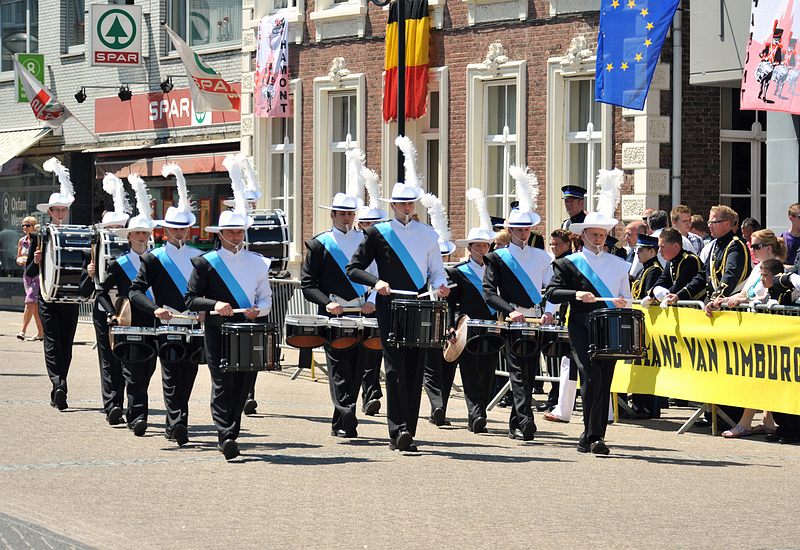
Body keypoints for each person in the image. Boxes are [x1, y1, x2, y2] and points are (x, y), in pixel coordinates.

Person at [346, 138, 449, 453]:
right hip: (390, 305)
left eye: (410, 204)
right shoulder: (378, 233)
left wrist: (441, 286)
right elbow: (354, 268)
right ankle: (397, 430)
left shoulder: (429, 234)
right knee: (394, 367)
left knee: (416, 368)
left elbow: (436, 270)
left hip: (419, 305)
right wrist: (376, 283)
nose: (407, 208)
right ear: (392, 206)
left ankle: (409, 429)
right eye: (402, 204)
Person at [185, 161, 272, 460]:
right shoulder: (205, 262)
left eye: (239, 231)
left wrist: (257, 312)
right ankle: (226, 435)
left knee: (244, 382)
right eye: (230, 232)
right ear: (220, 234)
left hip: (247, 329)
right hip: (217, 330)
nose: (236, 236)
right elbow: (191, 299)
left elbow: (266, 300)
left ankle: (232, 428)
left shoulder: (260, 262)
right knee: (222, 382)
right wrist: (215, 305)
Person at [544, 169, 632, 455]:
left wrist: (622, 303)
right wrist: (576, 294)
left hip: (609, 325)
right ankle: (591, 433)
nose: (599, 239)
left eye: (602, 234)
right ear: (583, 236)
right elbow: (552, 293)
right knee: (590, 375)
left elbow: (627, 298)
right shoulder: (568, 263)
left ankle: (594, 436)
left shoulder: (619, 264)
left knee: (605, 378)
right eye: (593, 234)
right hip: (581, 325)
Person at [129, 164, 203, 447]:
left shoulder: (200, 257)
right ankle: (178, 423)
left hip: (194, 326)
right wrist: (155, 309)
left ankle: (176, 423)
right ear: (166, 229)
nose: (181, 233)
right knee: (172, 375)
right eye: (176, 228)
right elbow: (135, 291)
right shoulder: (154, 258)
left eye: (185, 228)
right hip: (167, 325)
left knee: (189, 376)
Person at [483, 170, 555, 442]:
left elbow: (552, 290)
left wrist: (550, 311)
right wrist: (510, 311)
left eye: (527, 229)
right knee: (516, 371)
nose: (524, 233)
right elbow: (489, 292)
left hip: (536, 320)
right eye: (519, 229)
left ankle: (516, 422)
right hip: (513, 320)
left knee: (530, 371)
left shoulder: (541, 256)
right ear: (509, 230)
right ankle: (527, 421)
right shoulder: (497, 258)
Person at [302, 191, 378, 438]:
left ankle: (341, 420)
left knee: (358, 368)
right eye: (341, 213)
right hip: (335, 315)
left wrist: (373, 300)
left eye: (350, 213)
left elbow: (379, 275)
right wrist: (326, 304)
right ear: (332, 214)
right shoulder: (319, 244)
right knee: (338, 368)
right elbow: (308, 284)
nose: (346, 218)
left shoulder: (367, 240)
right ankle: (347, 415)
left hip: (363, 313)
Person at [95, 175, 157, 436]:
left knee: (148, 368)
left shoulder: (157, 261)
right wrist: (112, 314)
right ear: (129, 236)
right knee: (130, 368)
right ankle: (136, 415)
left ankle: (135, 411)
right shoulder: (118, 264)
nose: (141, 237)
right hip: (128, 320)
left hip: (153, 319)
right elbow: (100, 292)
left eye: (145, 233)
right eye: (137, 233)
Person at [26, 158, 80, 411]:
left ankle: (61, 383)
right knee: (51, 342)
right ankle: (58, 384)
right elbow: (27, 271)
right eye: (56, 210)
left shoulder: (75, 235)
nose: (60, 214)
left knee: (66, 344)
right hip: (47, 296)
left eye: (63, 210)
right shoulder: (39, 235)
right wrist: (36, 260)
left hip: (70, 297)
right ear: (49, 212)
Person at [83, 175, 131, 426]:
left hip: (129, 311)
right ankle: (112, 404)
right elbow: (84, 289)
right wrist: (90, 274)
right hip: (104, 309)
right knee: (107, 357)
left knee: (126, 357)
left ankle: (123, 402)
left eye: (118, 227)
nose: (114, 233)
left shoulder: (133, 252)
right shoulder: (94, 248)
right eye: (110, 228)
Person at [447, 214, 497, 434]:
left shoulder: (496, 269)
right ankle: (475, 414)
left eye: (486, 244)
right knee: (469, 371)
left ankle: (481, 410)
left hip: (492, 326)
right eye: (478, 245)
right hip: (468, 326)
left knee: (488, 371)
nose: (483, 248)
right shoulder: (457, 271)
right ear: (470, 247)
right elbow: (451, 303)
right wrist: (451, 325)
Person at [684, 205, 752, 310]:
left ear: (726, 223)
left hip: (731, 305)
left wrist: (717, 297)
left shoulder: (736, 245)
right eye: (709, 222)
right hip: (717, 304)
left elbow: (731, 274)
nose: (710, 226)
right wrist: (681, 294)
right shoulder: (715, 245)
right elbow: (703, 275)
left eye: (714, 222)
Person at [355, 201, 386, 416]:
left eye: (373, 223)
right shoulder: (353, 244)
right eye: (365, 223)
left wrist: (372, 300)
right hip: (352, 304)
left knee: (373, 352)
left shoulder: (382, 246)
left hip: (374, 303)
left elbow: (384, 276)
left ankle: (371, 394)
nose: (369, 227)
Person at [644, 228, 704, 306]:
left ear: (675, 246)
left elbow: (679, 285)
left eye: (662, 246)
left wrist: (663, 297)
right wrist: (651, 294)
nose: (659, 250)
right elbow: (663, 280)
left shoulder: (690, 260)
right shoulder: (670, 261)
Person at [16, 215, 43, 341]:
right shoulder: (22, 241)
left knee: (29, 301)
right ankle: (41, 333)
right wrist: (20, 260)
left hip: (37, 274)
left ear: (34, 227)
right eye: (23, 225)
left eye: (28, 225)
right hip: (26, 274)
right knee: (35, 305)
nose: (25, 227)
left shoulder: (38, 240)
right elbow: (18, 257)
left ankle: (22, 331)